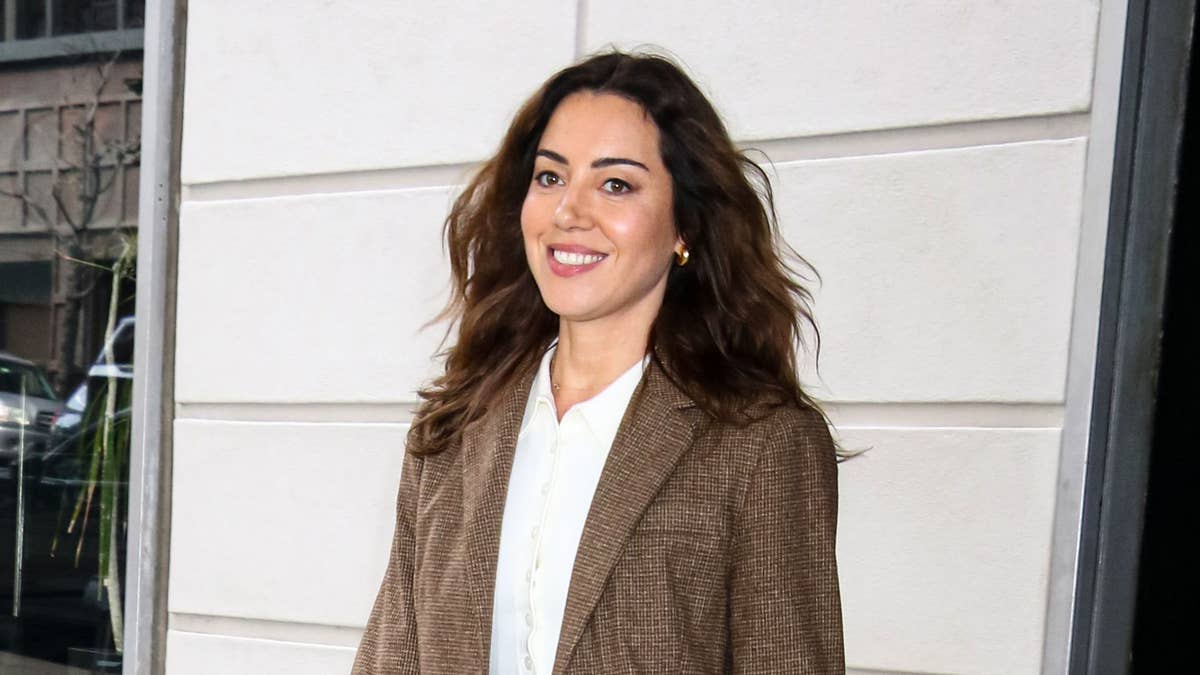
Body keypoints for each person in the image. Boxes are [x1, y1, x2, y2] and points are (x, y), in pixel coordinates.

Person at [352, 51, 843, 674]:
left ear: (685, 226)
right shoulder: (452, 429)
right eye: (550, 177)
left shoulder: (761, 445)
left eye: (616, 185)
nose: (569, 213)